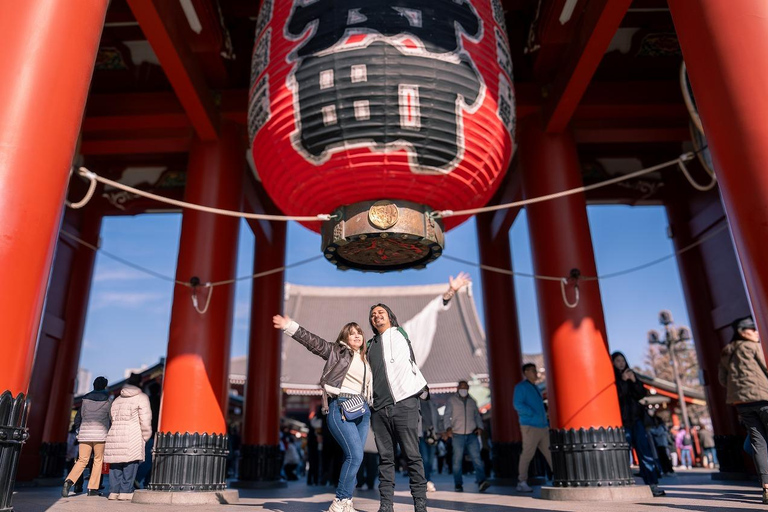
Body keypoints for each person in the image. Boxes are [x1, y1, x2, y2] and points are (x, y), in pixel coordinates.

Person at [367, 272, 471, 512]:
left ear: (390, 316)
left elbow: (434, 309)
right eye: (373, 315)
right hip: (379, 408)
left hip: (405, 404)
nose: (376, 316)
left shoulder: (405, 332)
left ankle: (420, 505)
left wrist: (451, 291)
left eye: (381, 312)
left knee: (413, 456)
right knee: (386, 459)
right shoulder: (369, 346)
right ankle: (386, 505)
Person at [274, 315, 372, 512]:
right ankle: (340, 500)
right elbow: (314, 342)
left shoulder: (366, 359)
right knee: (355, 455)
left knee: (354, 457)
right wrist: (290, 327)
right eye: (352, 333)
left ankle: (346, 503)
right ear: (344, 337)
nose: (357, 336)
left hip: (362, 410)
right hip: (341, 405)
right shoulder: (338, 351)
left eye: (359, 332)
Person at [718, 316, 768, 503]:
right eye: (752, 329)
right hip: (764, 398)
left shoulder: (726, 352)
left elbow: (723, 380)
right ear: (742, 331)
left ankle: (766, 489)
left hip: (742, 404)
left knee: (758, 443)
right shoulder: (754, 347)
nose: (756, 332)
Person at [611, 352, 665, 497]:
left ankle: (652, 484)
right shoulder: (613, 378)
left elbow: (641, 394)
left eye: (623, 360)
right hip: (622, 422)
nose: (621, 363)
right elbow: (617, 396)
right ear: (613, 363)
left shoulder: (632, 374)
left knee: (645, 452)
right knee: (623, 453)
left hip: (636, 420)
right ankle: (624, 484)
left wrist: (634, 380)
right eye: (618, 361)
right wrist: (622, 381)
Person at [103, 373, 152, 501]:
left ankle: (113, 491)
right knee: (130, 463)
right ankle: (125, 491)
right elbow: (145, 419)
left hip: (115, 432)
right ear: (140, 384)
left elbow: (112, 418)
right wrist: (146, 436)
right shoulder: (141, 398)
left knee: (115, 463)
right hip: (133, 432)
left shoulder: (117, 399)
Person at [62, 376, 111, 498]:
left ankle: (68, 482)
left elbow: (78, 418)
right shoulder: (108, 401)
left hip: (85, 434)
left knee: (82, 460)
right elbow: (111, 419)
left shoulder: (85, 400)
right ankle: (92, 488)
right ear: (104, 386)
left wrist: (80, 429)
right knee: (98, 460)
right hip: (101, 435)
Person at [443, 380, 490, 493]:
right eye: (461, 387)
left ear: (468, 388)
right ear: (458, 388)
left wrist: (480, 427)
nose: (463, 389)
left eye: (465, 387)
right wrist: (448, 428)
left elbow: (477, 416)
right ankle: (458, 484)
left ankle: (481, 481)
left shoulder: (472, 401)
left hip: (471, 434)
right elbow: (446, 415)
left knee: (477, 459)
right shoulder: (451, 401)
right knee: (457, 461)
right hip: (457, 434)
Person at [512, 363, 551, 492]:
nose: (536, 373)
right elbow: (517, 404)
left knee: (550, 453)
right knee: (527, 454)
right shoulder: (521, 387)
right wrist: (531, 413)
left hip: (543, 426)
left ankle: (559, 476)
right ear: (526, 372)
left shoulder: (536, 387)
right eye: (533, 371)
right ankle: (521, 481)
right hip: (530, 426)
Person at [419, 393, 442, 492]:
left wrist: (440, 431)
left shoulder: (432, 404)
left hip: (432, 435)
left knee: (431, 460)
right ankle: (427, 480)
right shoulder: (415, 404)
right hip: (420, 434)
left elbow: (438, 419)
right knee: (425, 458)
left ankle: (426, 479)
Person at [356, 424, 378, 491]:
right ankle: (370, 483)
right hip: (372, 446)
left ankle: (360, 482)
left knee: (360, 467)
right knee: (372, 467)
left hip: (361, 445)